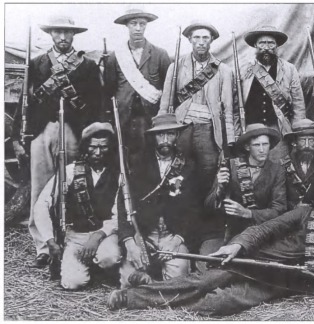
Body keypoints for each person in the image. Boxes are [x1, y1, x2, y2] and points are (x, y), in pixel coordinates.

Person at [107, 182, 314, 315]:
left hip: (278, 283)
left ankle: (152, 288)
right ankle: (130, 298)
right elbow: (264, 228)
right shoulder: (305, 214)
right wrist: (236, 246)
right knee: (202, 283)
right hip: (251, 261)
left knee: (218, 304)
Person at [11, 15, 102, 268]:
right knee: (41, 188)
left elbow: (96, 105)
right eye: (58, 32)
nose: (63, 37)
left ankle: (69, 239)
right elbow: (24, 103)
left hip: (74, 132)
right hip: (42, 131)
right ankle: (43, 245)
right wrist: (18, 136)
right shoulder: (37, 63)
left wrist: (92, 135)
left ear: (74, 36)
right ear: (51, 34)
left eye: (67, 33)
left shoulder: (88, 67)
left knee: (71, 184)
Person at [156, 21, 238, 202]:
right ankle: (176, 211)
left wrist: (230, 138)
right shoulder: (176, 66)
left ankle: (205, 214)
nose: (201, 42)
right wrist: (163, 133)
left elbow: (228, 108)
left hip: (208, 129)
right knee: (177, 170)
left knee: (208, 171)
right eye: (197, 38)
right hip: (181, 127)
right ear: (189, 40)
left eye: (205, 38)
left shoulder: (223, 70)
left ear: (211, 41)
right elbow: (165, 102)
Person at [33, 122, 120, 290]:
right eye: (93, 147)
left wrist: (98, 235)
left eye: (104, 147)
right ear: (85, 147)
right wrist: (50, 240)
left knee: (109, 257)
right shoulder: (70, 172)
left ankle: (99, 266)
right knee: (73, 283)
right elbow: (42, 205)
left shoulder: (118, 174)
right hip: (76, 236)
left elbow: (120, 213)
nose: (98, 152)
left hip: (105, 234)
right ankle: (84, 267)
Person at [115, 114, 198, 288]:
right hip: (143, 234)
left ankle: (152, 285)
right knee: (128, 282)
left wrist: (177, 241)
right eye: (161, 135)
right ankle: (149, 283)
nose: (165, 140)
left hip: (172, 234)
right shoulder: (136, 163)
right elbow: (124, 204)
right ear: (153, 137)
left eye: (170, 134)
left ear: (176, 136)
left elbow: (194, 209)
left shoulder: (188, 166)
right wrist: (130, 242)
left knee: (176, 286)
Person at [105, 7, 171, 170]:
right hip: (124, 119)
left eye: (142, 23)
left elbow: (168, 88)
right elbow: (109, 90)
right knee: (124, 162)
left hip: (151, 119)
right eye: (133, 23)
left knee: (151, 162)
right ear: (126, 26)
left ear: (146, 26)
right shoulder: (115, 56)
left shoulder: (160, 54)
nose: (138, 28)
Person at [205, 123, 287, 246]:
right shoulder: (231, 165)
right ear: (248, 147)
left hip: (263, 230)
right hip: (230, 231)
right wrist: (219, 189)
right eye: (256, 145)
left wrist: (248, 213)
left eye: (265, 144)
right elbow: (208, 206)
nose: (261, 149)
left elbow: (279, 209)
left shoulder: (277, 170)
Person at [240, 26, 306, 162]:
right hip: (250, 128)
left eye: (270, 43)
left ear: (277, 46)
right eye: (262, 43)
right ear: (255, 45)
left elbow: (298, 103)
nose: (266, 47)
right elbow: (235, 103)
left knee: (279, 166)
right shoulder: (243, 70)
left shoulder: (289, 69)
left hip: (278, 128)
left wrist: (298, 132)